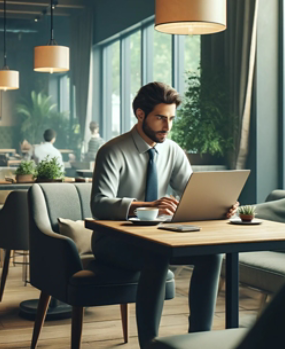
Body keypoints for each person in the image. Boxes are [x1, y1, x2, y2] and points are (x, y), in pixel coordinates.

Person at [90, 82, 239, 348]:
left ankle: (198, 338)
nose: (167, 126)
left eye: (171, 119)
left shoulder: (172, 150)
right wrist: (145, 205)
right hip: (112, 242)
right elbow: (99, 204)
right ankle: (149, 343)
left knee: (212, 254)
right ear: (140, 114)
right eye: (160, 118)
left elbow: (193, 192)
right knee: (156, 257)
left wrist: (220, 205)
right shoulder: (112, 151)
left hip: (157, 236)